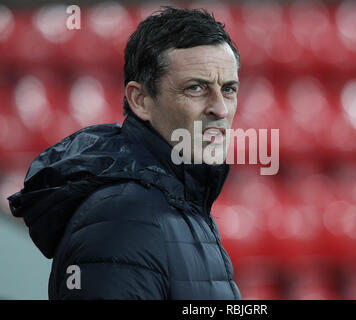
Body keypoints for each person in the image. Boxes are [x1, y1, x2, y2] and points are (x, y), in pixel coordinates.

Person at [7, 6, 241, 300]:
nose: (219, 108)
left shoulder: (179, 201)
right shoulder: (123, 218)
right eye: (196, 88)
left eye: (229, 89)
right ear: (140, 99)